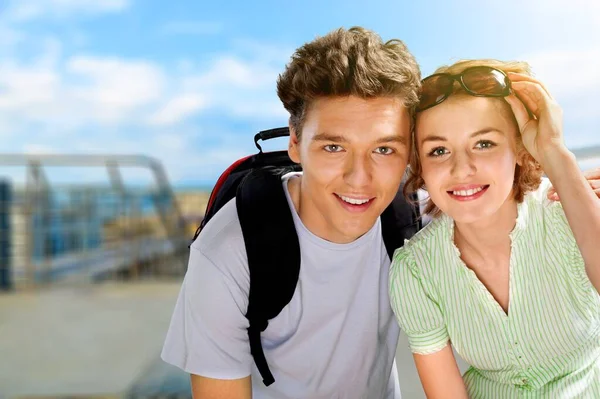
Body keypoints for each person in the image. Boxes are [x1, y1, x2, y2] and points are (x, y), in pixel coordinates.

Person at [160, 26, 422, 399]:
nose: (358, 178)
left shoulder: (413, 220)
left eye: (383, 150)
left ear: (408, 153)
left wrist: (539, 148)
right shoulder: (231, 251)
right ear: (295, 142)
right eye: (334, 147)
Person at [389, 59, 600, 398]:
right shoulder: (416, 270)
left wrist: (555, 153)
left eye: (483, 143)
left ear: (519, 148)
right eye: (438, 150)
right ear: (420, 166)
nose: (462, 168)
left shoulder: (570, 213)